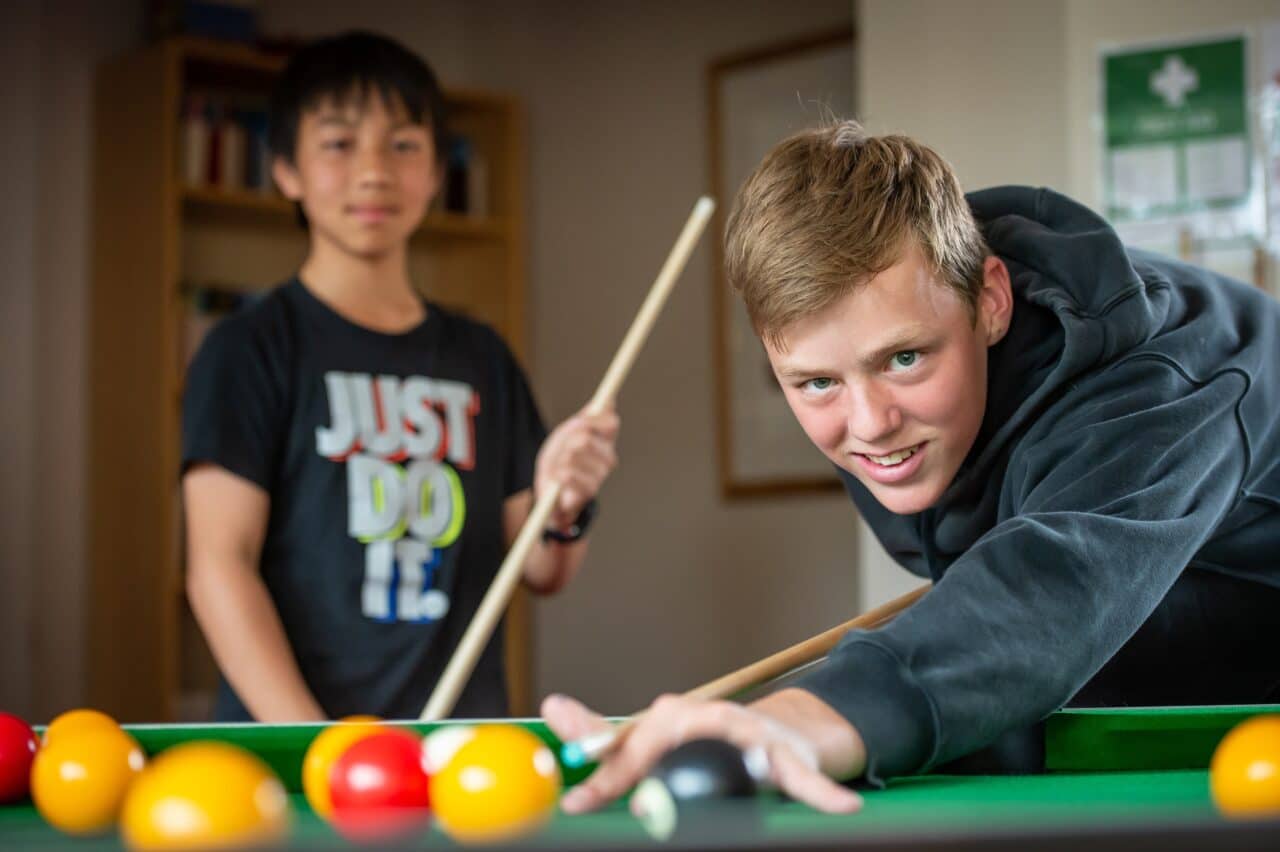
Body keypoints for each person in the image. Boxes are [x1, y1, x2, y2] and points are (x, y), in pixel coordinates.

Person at [543, 121, 1280, 814]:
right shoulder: (912, 409)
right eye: (816, 383)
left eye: (903, 358)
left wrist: (808, 718)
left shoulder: (1171, 381)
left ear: (990, 301)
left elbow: (1053, 585)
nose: (869, 425)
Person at [182, 31, 619, 722]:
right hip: (300, 760)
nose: (374, 171)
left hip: (457, 745)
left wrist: (563, 504)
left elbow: (541, 570)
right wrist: (322, 747)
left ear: (437, 171)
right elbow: (218, 567)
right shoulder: (248, 347)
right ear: (286, 170)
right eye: (338, 143)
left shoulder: (482, 357)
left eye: (404, 144)